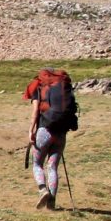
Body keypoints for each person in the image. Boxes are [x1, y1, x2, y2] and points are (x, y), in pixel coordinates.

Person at [23, 67, 77, 210]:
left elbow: (35, 112)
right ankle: (51, 203)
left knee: (37, 164)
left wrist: (31, 131)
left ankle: (43, 190)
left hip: (45, 131)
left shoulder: (39, 88)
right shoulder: (63, 87)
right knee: (52, 166)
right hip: (61, 133)